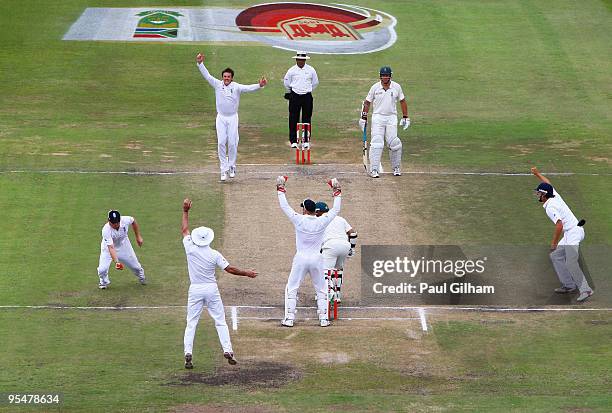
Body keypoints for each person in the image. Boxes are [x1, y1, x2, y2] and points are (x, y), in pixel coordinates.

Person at [181, 198, 257, 369]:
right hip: (211, 289)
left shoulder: (190, 248)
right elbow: (229, 269)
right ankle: (228, 350)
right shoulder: (214, 254)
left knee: (191, 322)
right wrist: (247, 273)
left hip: (195, 289)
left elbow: (185, 229)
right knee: (220, 321)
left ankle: (188, 353)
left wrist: (185, 211)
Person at [276, 176, 342, 327]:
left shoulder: (299, 219)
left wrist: (280, 189)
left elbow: (285, 207)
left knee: (292, 288)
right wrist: (337, 192)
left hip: (301, 258)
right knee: (321, 288)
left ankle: (289, 319)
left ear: (305, 209)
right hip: (317, 259)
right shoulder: (322, 221)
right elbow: (336, 209)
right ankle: (324, 319)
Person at [196, 52, 267, 181]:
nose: (226, 78)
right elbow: (207, 76)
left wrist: (260, 85)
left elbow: (249, 88)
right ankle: (223, 170)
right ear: (222, 77)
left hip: (233, 118)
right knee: (221, 142)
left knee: (233, 143)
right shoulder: (218, 84)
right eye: (224, 76)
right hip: (221, 118)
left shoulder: (237, 87)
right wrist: (200, 63)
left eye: (228, 77)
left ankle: (232, 166)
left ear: (232, 78)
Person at [531, 167, 593, 302]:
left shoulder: (550, 207)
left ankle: (586, 289)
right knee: (556, 256)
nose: (538, 195)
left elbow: (559, 225)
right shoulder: (554, 195)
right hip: (571, 232)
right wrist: (537, 174)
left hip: (573, 233)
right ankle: (569, 285)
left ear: (544, 195)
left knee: (570, 262)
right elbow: (548, 183)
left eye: (539, 193)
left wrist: (553, 243)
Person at [359, 66, 411, 178]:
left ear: (390, 76)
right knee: (377, 142)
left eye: (387, 76)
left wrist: (405, 117)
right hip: (378, 117)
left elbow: (402, 101)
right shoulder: (375, 87)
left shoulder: (396, 87)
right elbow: (367, 102)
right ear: (380, 76)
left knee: (394, 143)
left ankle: (396, 168)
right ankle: (374, 169)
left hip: (391, 117)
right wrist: (363, 117)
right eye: (383, 76)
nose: (385, 77)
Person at [314, 202, 357, 303]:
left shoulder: (319, 220)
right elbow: (353, 234)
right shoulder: (340, 219)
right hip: (345, 246)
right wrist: (352, 248)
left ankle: (329, 292)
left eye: (316, 212)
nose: (315, 214)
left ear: (319, 211)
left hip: (330, 246)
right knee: (338, 270)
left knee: (325, 271)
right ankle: (337, 296)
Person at [97, 210, 146, 289]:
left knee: (136, 267)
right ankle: (103, 282)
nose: (116, 224)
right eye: (113, 223)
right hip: (108, 249)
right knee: (102, 269)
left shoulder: (125, 220)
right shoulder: (106, 230)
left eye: (117, 222)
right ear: (108, 221)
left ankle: (142, 277)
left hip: (124, 245)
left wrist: (138, 236)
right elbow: (111, 247)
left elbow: (133, 221)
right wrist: (117, 262)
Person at [283, 52, 319, 148]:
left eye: (303, 60)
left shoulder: (311, 70)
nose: (301, 62)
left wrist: (307, 89)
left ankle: (306, 140)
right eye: (299, 60)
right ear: (296, 60)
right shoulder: (291, 70)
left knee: (306, 118)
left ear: (305, 60)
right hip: (295, 96)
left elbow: (315, 82)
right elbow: (286, 83)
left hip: (307, 96)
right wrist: (292, 91)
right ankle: (293, 141)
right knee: (293, 118)